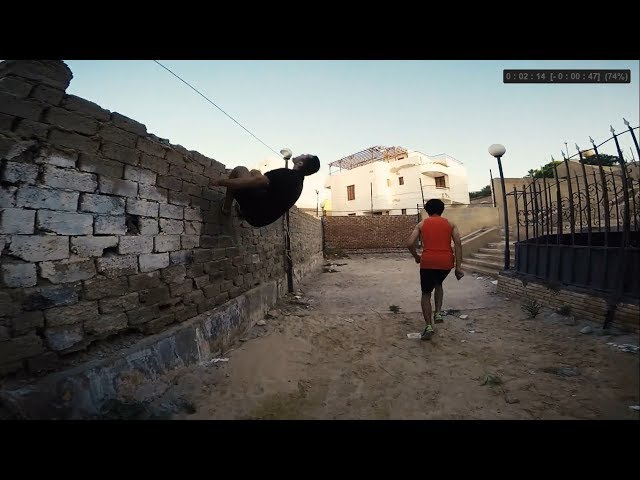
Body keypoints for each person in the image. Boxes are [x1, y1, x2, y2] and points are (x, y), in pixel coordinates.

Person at [406, 199, 464, 340]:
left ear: (427, 210)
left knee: (426, 293)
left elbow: (409, 243)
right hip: (446, 263)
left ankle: (428, 326)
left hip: (428, 262)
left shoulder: (421, 224)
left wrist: (417, 257)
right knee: (438, 284)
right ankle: (438, 312)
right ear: (442, 209)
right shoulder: (451, 224)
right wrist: (458, 268)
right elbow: (458, 244)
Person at [210, 154, 320, 228]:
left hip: (253, 211)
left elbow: (257, 180)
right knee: (254, 172)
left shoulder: (286, 174)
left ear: (300, 163)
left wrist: (220, 182)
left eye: (304, 155)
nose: (301, 154)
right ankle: (241, 212)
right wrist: (256, 173)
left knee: (240, 169)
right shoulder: (299, 185)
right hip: (260, 221)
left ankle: (226, 209)